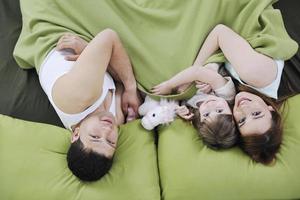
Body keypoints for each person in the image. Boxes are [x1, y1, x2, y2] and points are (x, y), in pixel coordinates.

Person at [154, 24, 292, 165]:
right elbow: (220, 32)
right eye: (256, 114)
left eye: (242, 121)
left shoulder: (241, 95)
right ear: (271, 109)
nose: (244, 109)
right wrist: (194, 76)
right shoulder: (258, 76)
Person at [38, 29, 141, 181]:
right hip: (92, 43)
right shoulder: (115, 120)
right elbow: (119, 78)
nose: (107, 131)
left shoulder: (76, 98)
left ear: (76, 134)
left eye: (95, 136)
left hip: (56, 36)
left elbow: (109, 36)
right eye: (111, 142)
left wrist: (131, 87)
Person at [151, 54, 238, 150]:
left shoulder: (193, 109)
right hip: (205, 56)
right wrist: (169, 85)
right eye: (219, 110)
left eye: (206, 114)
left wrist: (177, 109)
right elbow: (197, 72)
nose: (211, 106)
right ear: (232, 115)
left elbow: (174, 99)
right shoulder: (227, 94)